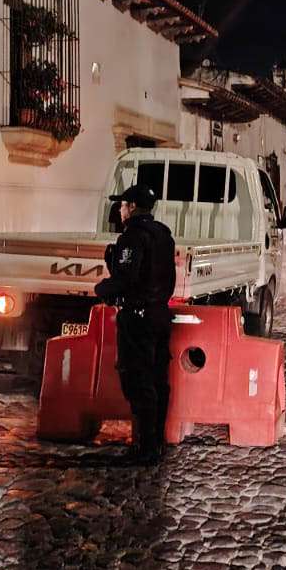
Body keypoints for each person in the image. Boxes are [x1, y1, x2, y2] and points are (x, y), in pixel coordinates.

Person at [93, 183, 176, 465]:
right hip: (160, 315)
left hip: (138, 318)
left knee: (138, 380)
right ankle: (157, 441)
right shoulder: (163, 233)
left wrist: (103, 287)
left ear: (131, 208)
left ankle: (146, 447)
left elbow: (127, 278)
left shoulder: (132, 237)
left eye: (123, 205)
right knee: (157, 379)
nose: (120, 209)